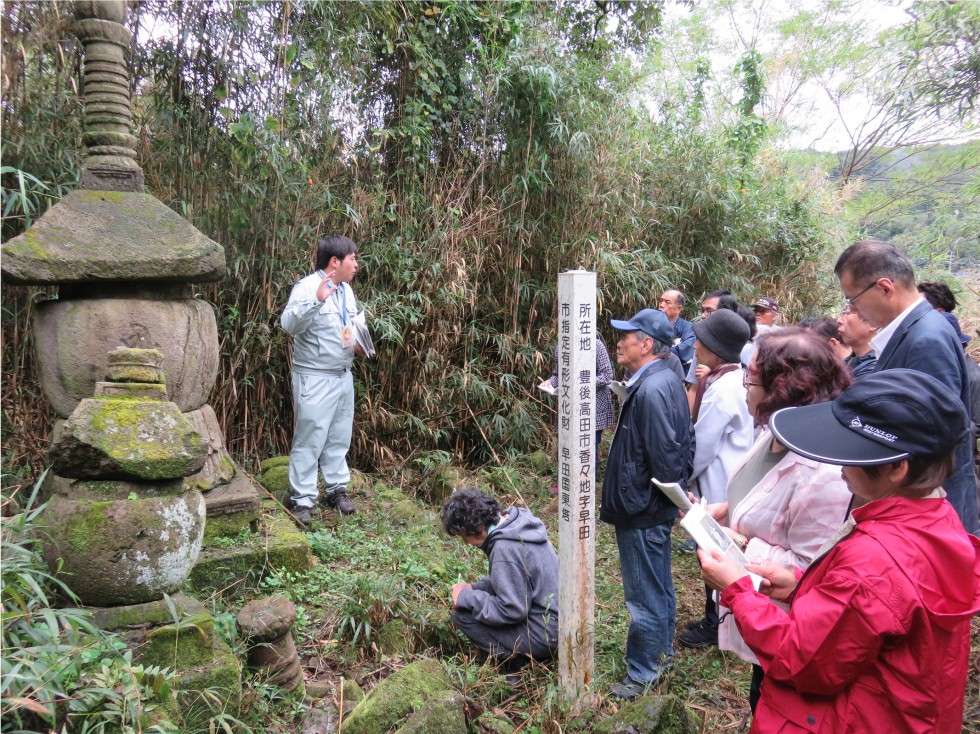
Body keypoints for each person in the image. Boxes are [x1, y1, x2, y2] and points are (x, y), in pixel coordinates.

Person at [699, 369, 980, 733]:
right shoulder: (937, 521)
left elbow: (801, 660)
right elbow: (875, 618)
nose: (838, 466)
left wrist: (737, 590)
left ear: (897, 468)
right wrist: (801, 586)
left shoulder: (872, 563)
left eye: (850, 454)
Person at [705, 329, 853, 705]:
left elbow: (811, 568)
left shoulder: (823, 472)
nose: (744, 388)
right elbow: (760, 494)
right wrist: (728, 511)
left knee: (773, 696)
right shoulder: (774, 432)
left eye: (750, 379)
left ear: (781, 389)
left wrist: (736, 543)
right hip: (759, 616)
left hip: (788, 630)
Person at [834, 239, 977, 534]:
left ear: (885, 287)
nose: (853, 309)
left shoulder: (926, 339)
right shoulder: (914, 331)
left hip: (924, 514)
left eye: (853, 299)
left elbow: (935, 439)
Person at [601, 308, 695, 699]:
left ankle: (643, 672)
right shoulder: (660, 379)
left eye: (627, 336)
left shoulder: (653, 388)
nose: (619, 342)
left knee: (644, 594)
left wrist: (663, 499)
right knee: (658, 584)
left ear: (646, 344)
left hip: (642, 509)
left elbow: (667, 455)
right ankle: (661, 655)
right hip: (648, 505)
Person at [679, 309, 754, 649]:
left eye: (702, 340)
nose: (695, 345)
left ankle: (716, 622)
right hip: (728, 480)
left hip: (716, 482)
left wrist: (681, 482)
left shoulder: (723, 390)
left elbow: (702, 447)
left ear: (715, 348)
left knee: (712, 552)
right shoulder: (734, 379)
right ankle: (717, 616)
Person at [281, 235, 364, 525]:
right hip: (314, 377)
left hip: (343, 375)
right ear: (334, 261)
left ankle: (336, 489)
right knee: (310, 438)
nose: (356, 264)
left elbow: (350, 326)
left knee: (338, 436)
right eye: (352, 258)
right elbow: (288, 325)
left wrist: (359, 343)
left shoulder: (346, 291)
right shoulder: (306, 287)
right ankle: (302, 500)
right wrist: (316, 300)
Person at [442, 489, 559, 667]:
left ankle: (515, 663)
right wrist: (475, 588)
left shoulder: (505, 548)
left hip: (547, 633)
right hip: (560, 620)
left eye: (464, 537)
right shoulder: (518, 524)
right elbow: (518, 582)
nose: (466, 543)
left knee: (463, 616)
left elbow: (511, 609)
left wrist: (465, 598)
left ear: (477, 530)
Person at [836, 304, 878, 380]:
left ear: (873, 322)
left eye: (847, 313)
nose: (839, 320)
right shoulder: (851, 360)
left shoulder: (875, 370)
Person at [658, 289, 696, 372]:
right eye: (661, 301)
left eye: (667, 302)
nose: (661, 305)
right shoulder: (653, 324)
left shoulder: (689, 328)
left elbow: (684, 352)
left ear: (678, 308)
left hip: (676, 375)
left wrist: (655, 352)